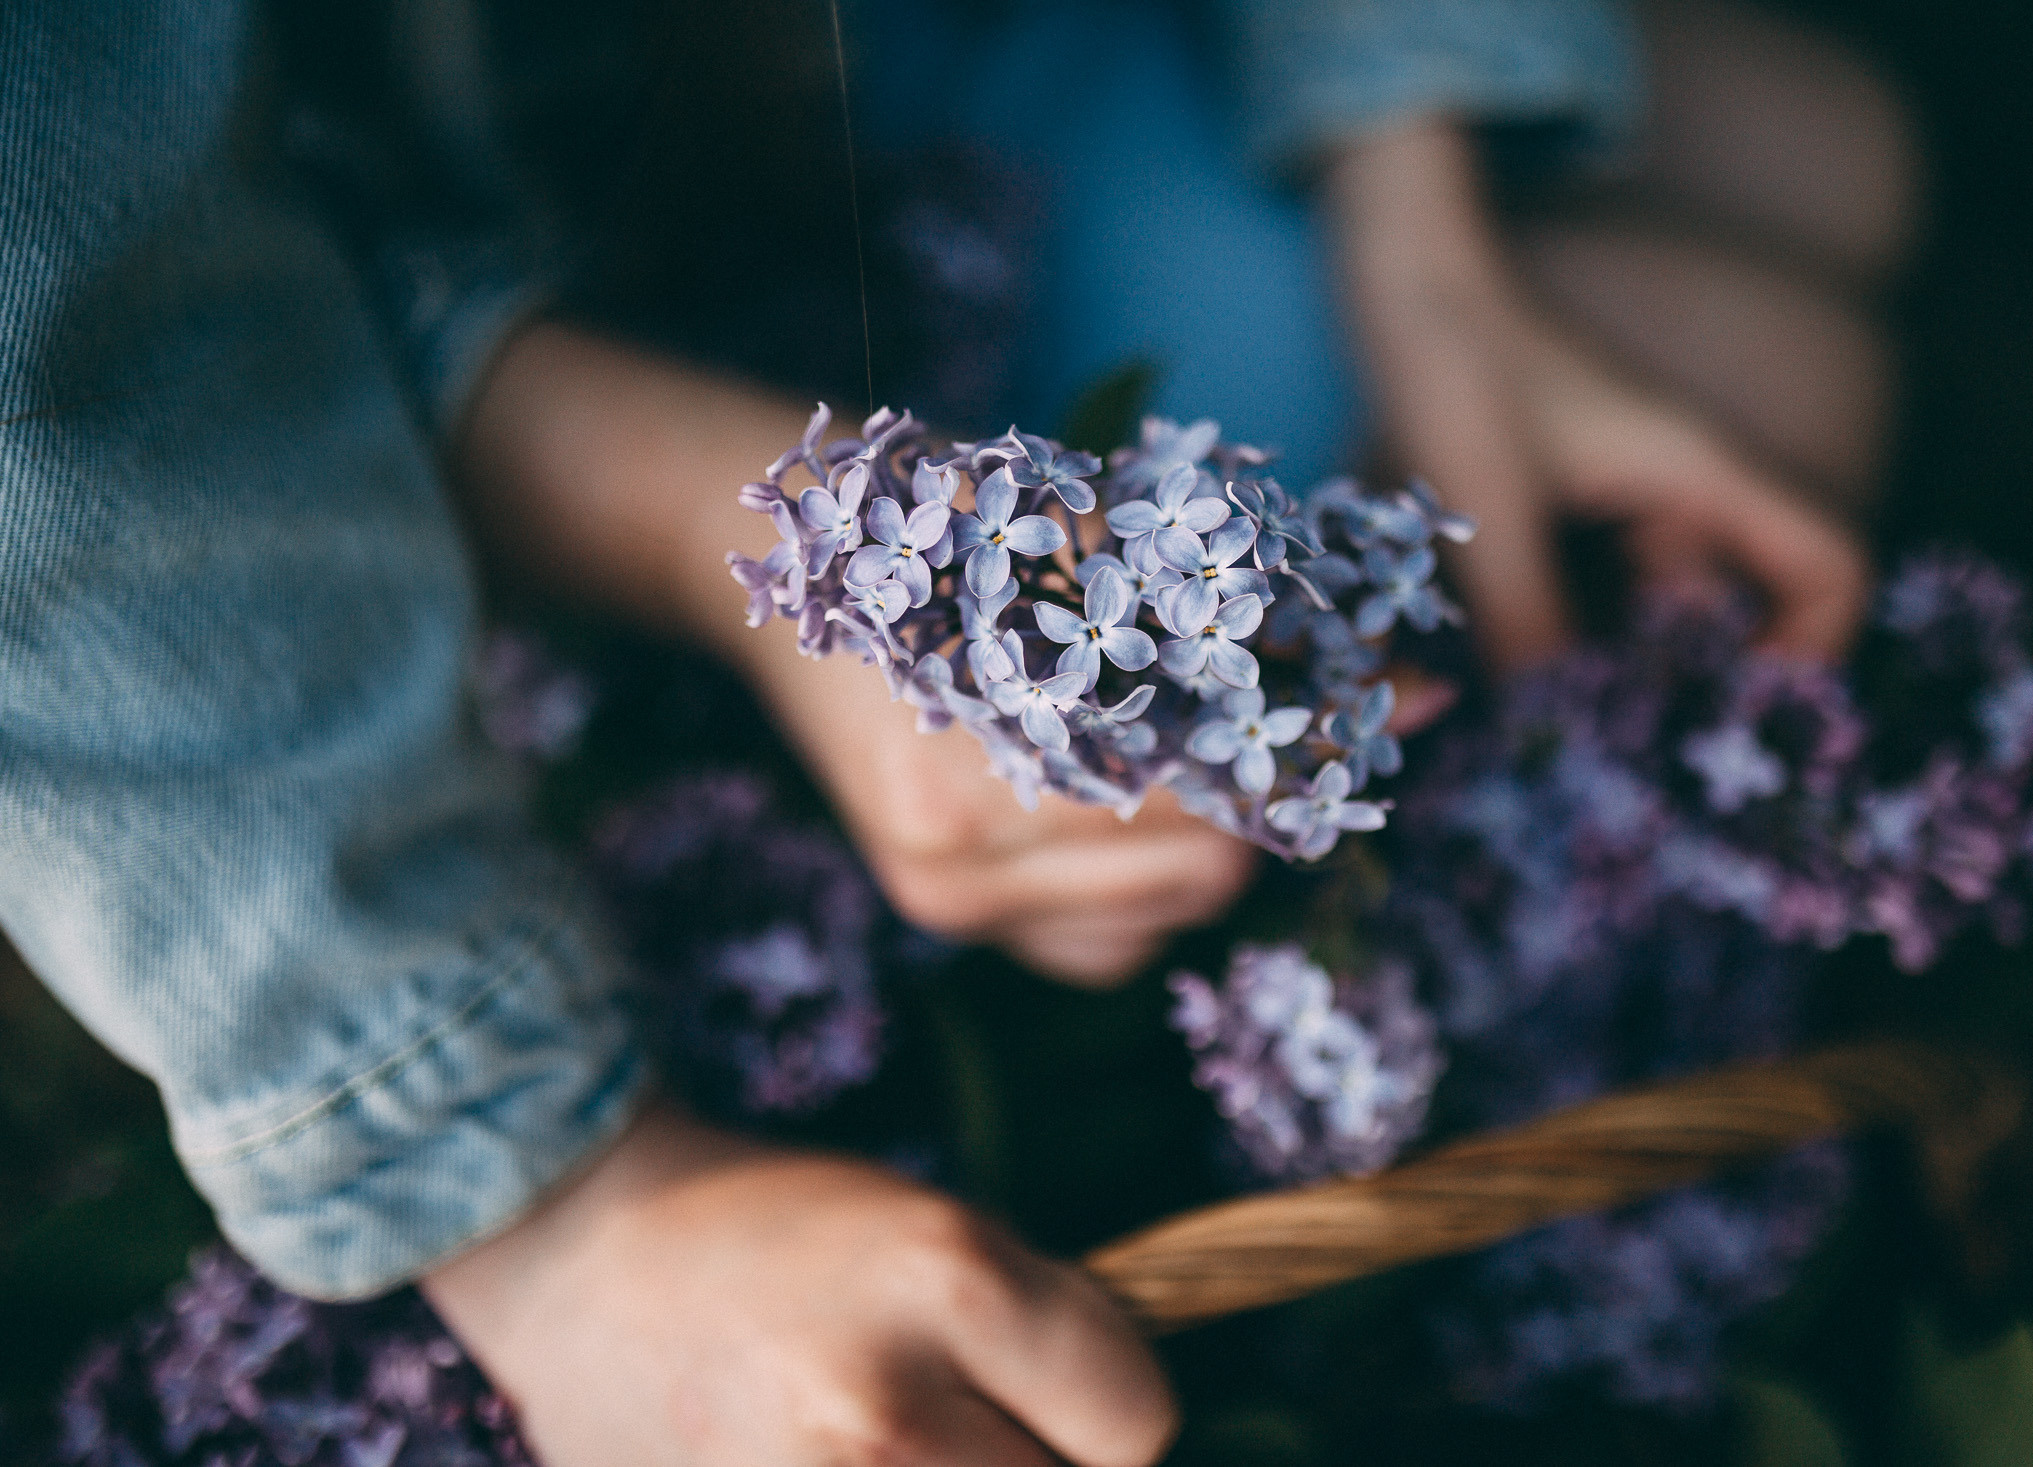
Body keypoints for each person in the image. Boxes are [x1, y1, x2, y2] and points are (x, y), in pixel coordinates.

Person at [0, 1, 1910, 1463]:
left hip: (784, 82)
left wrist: (1419, 227)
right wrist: (544, 1202)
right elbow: (86, 344)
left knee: (1834, 156)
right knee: (1776, 352)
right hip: (352, 343)